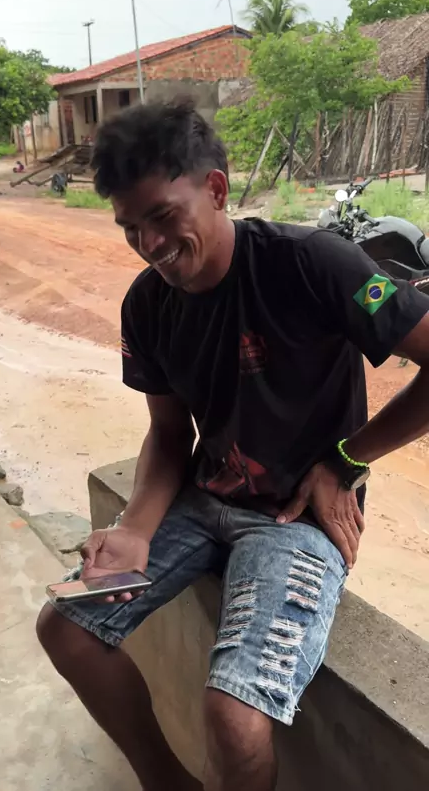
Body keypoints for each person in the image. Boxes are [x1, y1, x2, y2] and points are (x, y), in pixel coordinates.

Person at [37, 100, 429, 791]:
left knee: (236, 716)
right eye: (130, 227)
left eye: (163, 216)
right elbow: (169, 433)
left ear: (215, 189)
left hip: (295, 519)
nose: (149, 244)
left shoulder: (311, 263)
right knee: (65, 629)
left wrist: (346, 460)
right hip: (201, 500)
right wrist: (134, 529)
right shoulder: (147, 304)